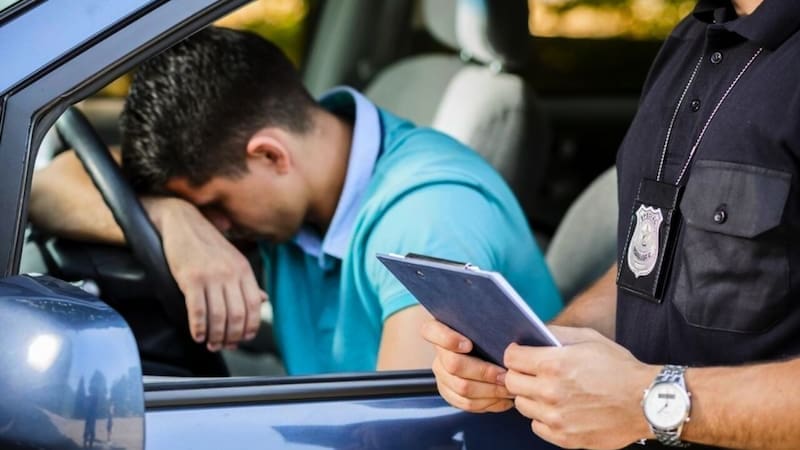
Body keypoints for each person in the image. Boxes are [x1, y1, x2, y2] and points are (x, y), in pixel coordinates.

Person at [29, 26, 562, 375]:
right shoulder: (298, 189)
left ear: (270, 155)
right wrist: (173, 219)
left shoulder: (427, 219)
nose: (216, 227)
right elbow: (49, 188)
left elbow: (400, 432)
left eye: (214, 205)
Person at [422, 0, 800, 448]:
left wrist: (650, 401)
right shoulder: (691, 39)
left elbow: (641, 397)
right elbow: (654, 267)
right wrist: (529, 358)